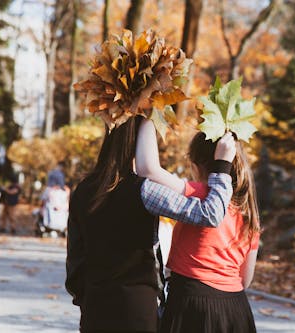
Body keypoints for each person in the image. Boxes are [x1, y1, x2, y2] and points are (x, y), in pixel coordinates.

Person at [65, 116, 237, 333]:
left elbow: (75, 257)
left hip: (95, 307)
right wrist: (222, 167)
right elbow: (209, 214)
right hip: (138, 308)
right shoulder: (144, 190)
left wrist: (84, 298)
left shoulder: (83, 190)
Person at [158, 131, 261, 333]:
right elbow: (245, 279)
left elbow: (150, 171)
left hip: (192, 305)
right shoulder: (249, 212)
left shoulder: (199, 194)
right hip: (235, 310)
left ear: (195, 167)